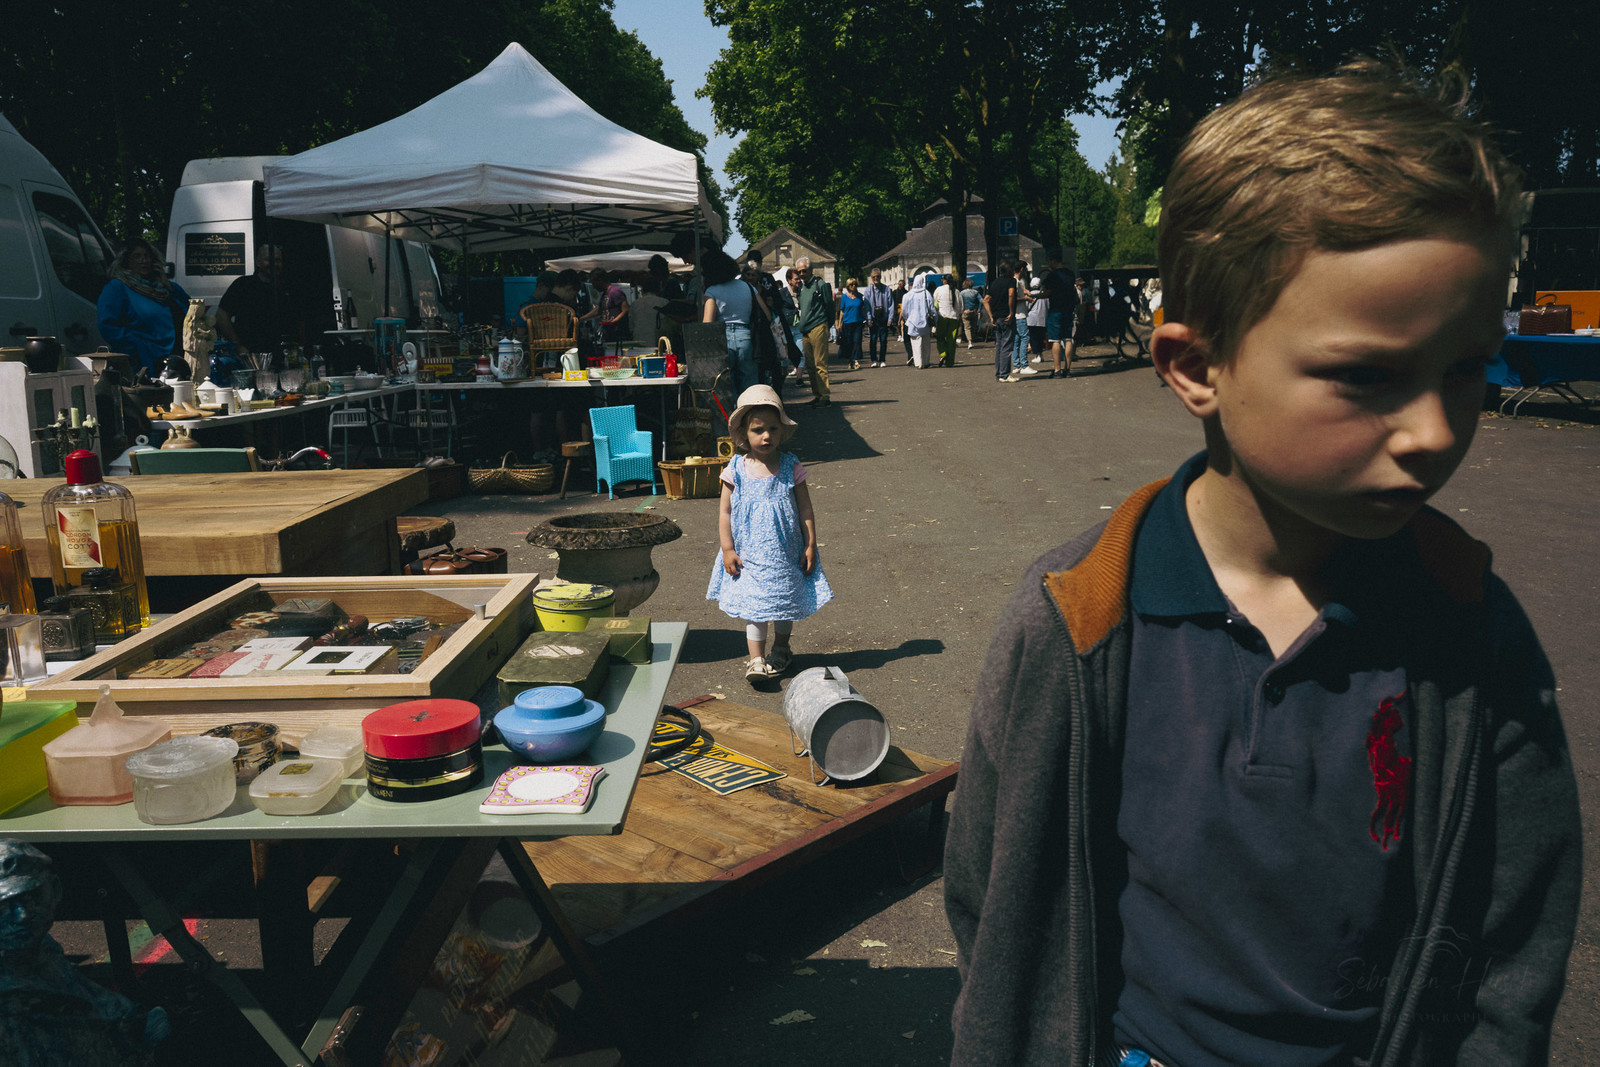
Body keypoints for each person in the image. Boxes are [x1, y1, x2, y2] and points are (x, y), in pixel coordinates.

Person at [944, 62, 1582, 1067]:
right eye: (1366, 376)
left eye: (1465, 369)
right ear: (1196, 367)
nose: (1430, 430)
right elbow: (1001, 896)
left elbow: (1515, 938)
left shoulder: (1470, 629)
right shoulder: (1078, 619)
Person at [706, 384, 833, 684]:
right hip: (749, 555)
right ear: (744, 433)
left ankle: (782, 649)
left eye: (773, 429)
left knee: (783, 601)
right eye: (758, 430)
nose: (766, 436)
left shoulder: (791, 466)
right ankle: (756, 660)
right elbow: (725, 512)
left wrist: (811, 544)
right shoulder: (735, 468)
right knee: (756, 606)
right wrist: (727, 549)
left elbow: (805, 509)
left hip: (786, 553)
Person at [96, 238, 192, 375]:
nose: (144, 260)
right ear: (127, 261)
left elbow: (192, 310)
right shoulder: (117, 287)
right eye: (137, 256)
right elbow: (108, 325)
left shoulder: (165, 287)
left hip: (175, 357)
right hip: (143, 360)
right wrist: (134, 347)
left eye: (147, 256)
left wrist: (167, 285)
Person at [703, 248, 769, 396]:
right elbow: (767, 315)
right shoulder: (748, 287)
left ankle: (732, 417)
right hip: (746, 338)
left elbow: (707, 325)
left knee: (727, 387)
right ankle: (749, 417)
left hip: (722, 340)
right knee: (749, 388)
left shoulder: (712, 291)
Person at [214, 243, 290, 361]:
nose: (274, 264)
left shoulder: (288, 288)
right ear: (258, 262)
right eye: (268, 260)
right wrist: (238, 346)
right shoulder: (243, 285)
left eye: (278, 260)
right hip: (250, 356)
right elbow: (221, 316)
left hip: (283, 356)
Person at [794, 257, 834, 406]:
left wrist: (827, 325)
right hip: (805, 330)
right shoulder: (802, 287)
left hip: (818, 326)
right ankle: (817, 395)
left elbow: (829, 306)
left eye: (804, 271)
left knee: (820, 364)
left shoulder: (820, 284)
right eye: (799, 272)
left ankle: (825, 396)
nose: (802, 274)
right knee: (810, 366)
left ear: (811, 269)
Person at [1041, 251, 1078, 379]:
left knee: (1055, 340)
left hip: (1056, 310)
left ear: (1053, 261)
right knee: (1068, 339)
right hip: (1069, 310)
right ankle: (1068, 369)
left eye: (1049, 261)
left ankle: (1057, 369)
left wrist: (1032, 295)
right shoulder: (1070, 274)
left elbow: (1047, 293)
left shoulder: (1053, 275)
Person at [984, 261, 1018, 382]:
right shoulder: (1011, 281)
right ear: (1009, 271)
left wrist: (991, 316)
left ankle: (999, 373)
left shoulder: (995, 282)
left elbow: (985, 300)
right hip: (1006, 316)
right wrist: (1011, 312)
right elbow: (1011, 294)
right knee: (1007, 346)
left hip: (996, 316)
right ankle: (1004, 374)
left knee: (999, 346)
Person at [901, 272, 936, 368]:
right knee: (925, 344)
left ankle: (918, 363)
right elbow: (931, 308)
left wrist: (907, 318)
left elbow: (904, 310)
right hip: (924, 322)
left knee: (916, 344)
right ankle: (925, 361)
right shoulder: (926, 293)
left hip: (912, 323)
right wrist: (934, 317)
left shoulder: (908, 295)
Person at [863, 269, 895, 368]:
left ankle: (882, 359)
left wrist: (890, 319)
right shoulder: (868, 290)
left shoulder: (886, 289)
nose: (876, 278)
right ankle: (873, 360)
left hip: (884, 318)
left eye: (877, 276)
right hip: (873, 319)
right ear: (871, 278)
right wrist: (868, 319)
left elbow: (891, 305)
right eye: (874, 277)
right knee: (873, 340)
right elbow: (867, 306)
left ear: (880, 277)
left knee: (883, 340)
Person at [836, 277, 867, 371]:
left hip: (858, 323)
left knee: (857, 342)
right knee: (849, 343)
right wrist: (839, 324)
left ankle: (856, 361)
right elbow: (842, 311)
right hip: (847, 323)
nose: (853, 286)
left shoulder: (860, 296)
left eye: (855, 284)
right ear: (848, 286)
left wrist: (865, 320)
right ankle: (851, 360)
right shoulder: (844, 297)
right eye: (851, 284)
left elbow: (863, 309)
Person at [934, 272, 962, 367]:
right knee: (951, 340)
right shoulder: (957, 291)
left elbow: (935, 303)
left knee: (940, 337)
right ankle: (950, 362)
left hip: (943, 317)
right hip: (954, 318)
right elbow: (960, 307)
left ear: (944, 281)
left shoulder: (939, 289)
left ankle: (943, 353)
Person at [1024, 276, 1048, 370]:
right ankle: (1040, 354)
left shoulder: (1029, 295)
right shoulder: (1044, 295)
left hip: (1032, 319)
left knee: (1033, 338)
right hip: (1043, 318)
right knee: (1041, 338)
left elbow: (1026, 307)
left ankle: (1037, 355)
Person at [959, 277, 981, 348]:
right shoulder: (975, 292)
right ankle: (972, 338)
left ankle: (970, 342)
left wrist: (962, 310)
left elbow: (959, 302)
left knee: (967, 327)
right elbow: (981, 301)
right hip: (974, 311)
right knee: (973, 327)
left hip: (965, 311)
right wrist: (978, 309)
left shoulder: (961, 293)